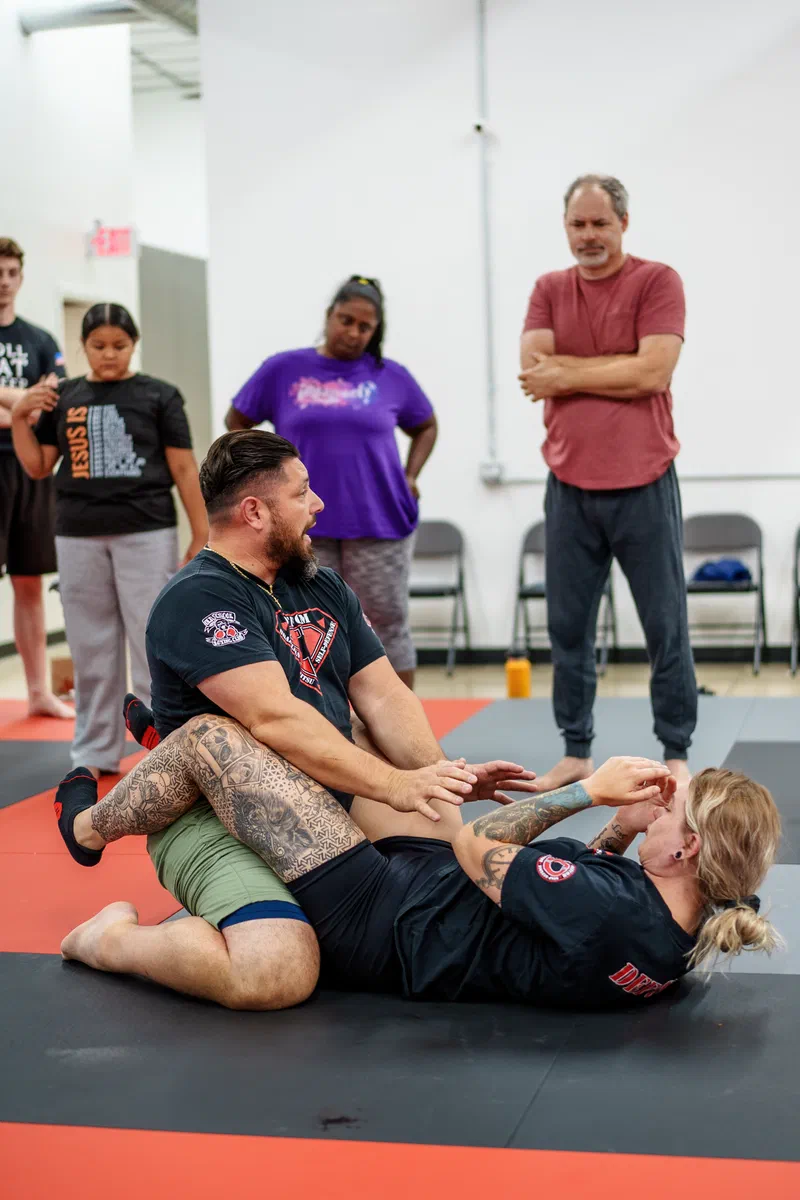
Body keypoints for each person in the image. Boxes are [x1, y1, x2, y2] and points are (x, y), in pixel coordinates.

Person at [52, 429, 538, 1010]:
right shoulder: (199, 597)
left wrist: (438, 775)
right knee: (278, 971)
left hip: (313, 791)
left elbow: (385, 696)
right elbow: (276, 720)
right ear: (255, 511)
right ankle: (109, 938)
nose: (319, 504)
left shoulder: (320, 584)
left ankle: (163, 729)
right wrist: (394, 784)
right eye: (302, 492)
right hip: (212, 807)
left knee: (452, 850)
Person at [56, 718, 782, 1010]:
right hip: (431, 893)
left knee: (209, 741)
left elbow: (476, 845)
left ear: (687, 848)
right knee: (375, 747)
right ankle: (162, 734)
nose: (660, 805)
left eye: (671, 810)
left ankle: (85, 828)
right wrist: (622, 829)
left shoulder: (611, 911)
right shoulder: (678, 925)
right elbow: (576, 909)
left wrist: (587, 792)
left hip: (380, 915)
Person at [519, 175, 697, 794]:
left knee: (665, 624)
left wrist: (567, 373)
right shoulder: (548, 289)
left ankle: (676, 750)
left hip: (645, 481)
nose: (589, 235)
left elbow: (653, 373)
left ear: (623, 222)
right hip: (569, 483)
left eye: (600, 223)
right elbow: (534, 370)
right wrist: (615, 367)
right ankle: (575, 751)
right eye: (578, 224)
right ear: (565, 227)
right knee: (567, 627)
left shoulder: (657, 281)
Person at [11, 303, 207, 776]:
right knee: (89, 644)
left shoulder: (159, 395)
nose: (109, 354)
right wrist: (18, 418)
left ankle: (163, 748)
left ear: (133, 344)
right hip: (78, 534)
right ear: (83, 347)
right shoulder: (65, 397)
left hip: (146, 530)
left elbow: (184, 468)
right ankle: (95, 751)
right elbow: (38, 466)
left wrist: (202, 531)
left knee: (151, 641)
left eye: (119, 345)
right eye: (98, 346)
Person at [225, 276, 438, 689]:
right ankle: (321, 718)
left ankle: (403, 723)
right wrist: (259, 476)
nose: (353, 332)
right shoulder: (283, 369)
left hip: (378, 519)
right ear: (328, 316)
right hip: (303, 522)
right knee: (307, 624)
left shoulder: (390, 375)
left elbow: (426, 425)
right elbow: (237, 421)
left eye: (365, 326)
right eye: (346, 320)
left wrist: (411, 475)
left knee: (387, 623)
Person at [0, 237, 72, 719]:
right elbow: (32, 405)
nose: (4, 282)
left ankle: (38, 692)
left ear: (21, 277)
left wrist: (13, 406)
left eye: (11, 273)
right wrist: (23, 405)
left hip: (29, 468)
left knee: (29, 582)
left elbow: (53, 401)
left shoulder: (40, 340)